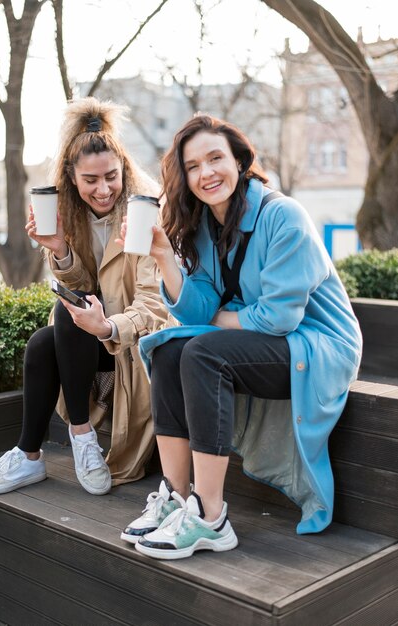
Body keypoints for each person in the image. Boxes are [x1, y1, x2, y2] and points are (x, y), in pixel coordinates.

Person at [118, 114, 362, 560]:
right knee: (171, 349)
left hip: (316, 345)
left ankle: (211, 518)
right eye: (193, 166)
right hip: (266, 343)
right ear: (184, 178)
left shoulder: (283, 215)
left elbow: (278, 318)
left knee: (203, 351)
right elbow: (197, 310)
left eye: (216, 158)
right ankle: (175, 497)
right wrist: (164, 259)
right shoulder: (208, 229)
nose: (206, 173)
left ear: (240, 161)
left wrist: (219, 320)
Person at [0, 96, 168, 497]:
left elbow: (156, 305)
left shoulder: (146, 213)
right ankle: (48, 449)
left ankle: (57, 445)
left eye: (112, 176)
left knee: (60, 325)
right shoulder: (71, 213)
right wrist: (61, 249)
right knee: (50, 331)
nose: (103, 189)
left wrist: (108, 325)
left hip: (136, 346)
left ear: (125, 169)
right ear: (71, 177)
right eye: (91, 180)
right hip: (84, 341)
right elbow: (79, 284)